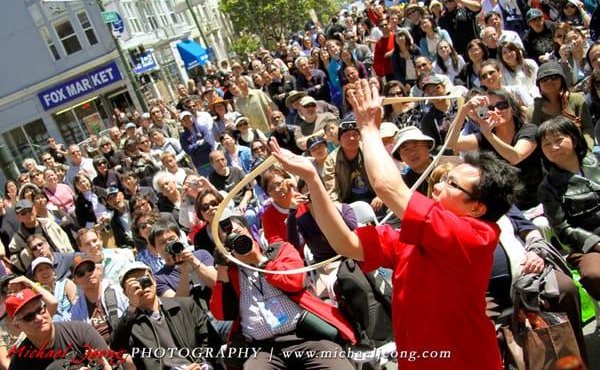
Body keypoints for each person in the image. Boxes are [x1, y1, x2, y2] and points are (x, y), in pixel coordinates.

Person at [270, 78, 520, 369]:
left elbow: (388, 188)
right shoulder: (418, 236)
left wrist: (367, 128)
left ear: (477, 207)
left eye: (452, 184)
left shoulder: (474, 236)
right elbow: (346, 244)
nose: (438, 186)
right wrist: (313, 182)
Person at [210, 217, 356, 370]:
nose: (237, 241)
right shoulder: (230, 273)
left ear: (248, 231)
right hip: (264, 349)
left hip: (306, 337)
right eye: (229, 240)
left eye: (239, 233)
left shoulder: (280, 251)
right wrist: (221, 267)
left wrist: (260, 260)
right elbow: (221, 314)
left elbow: (295, 281)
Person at [112, 262, 222, 370]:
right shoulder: (128, 324)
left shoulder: (186, 305)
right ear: (126, 293)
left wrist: (203, 364)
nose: (142, 286)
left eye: (145, 280)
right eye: (135, 285)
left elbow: (211, 340)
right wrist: (132, 307)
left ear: (154, 281)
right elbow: (116, 351)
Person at [536, 116, 600, 301]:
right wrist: (596, 244)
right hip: (587, 245)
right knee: (594, 275)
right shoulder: (548, 187)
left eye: (559, 140)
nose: (554, 147)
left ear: (574, 138)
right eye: (546, 144)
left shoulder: (596, 162)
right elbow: (563, 228)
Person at [447, 89, 543, 210]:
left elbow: (515, 157)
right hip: (503, 206)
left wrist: (488, 134)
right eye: (490, 108)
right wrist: (464, 110)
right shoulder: (485, 137)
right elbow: (451, 143)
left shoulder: (529, 130)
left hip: (533, 203)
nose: (496, 111)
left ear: (512, 109)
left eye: (502, 105)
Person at [6, 288, 115, 370]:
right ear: (17, 326)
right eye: (29, 317)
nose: (38, 318)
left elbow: (113, 364)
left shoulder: (80, 331)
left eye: (40, 310)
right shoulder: (19, 363)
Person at [531, 61, 595, 148]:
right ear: (539, 85)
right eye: (544, 79)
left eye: (554, 77)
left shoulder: (576, 100)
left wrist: (587, 149)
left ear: (562, 81)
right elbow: (534, 139)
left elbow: (587, 128)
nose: (549, 81)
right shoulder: (533, 109)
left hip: (579, 150)